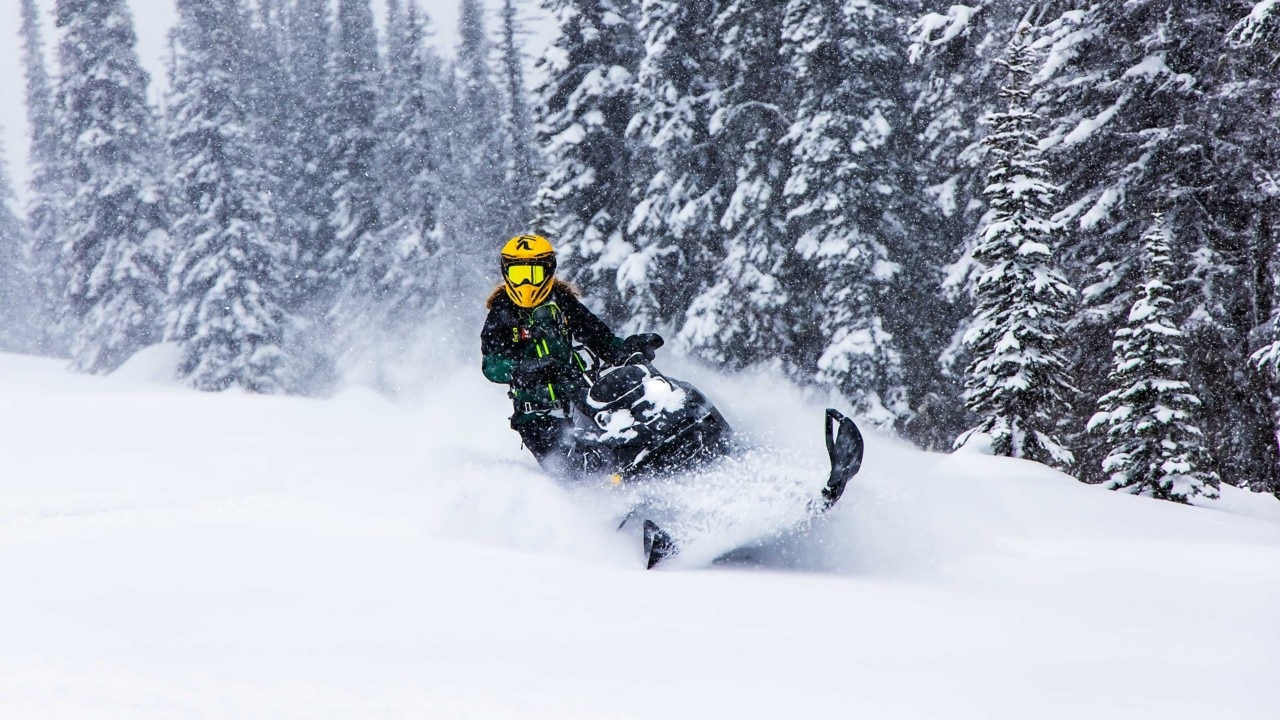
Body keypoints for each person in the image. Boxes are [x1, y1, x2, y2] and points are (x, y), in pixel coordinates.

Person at [481, 234, 664, 476]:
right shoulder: (502, 312)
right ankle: (592, 508)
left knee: (622, 442)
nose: (526, 283)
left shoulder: (562, 302)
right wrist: (524, 370)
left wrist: (626, 349)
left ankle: (657, 470)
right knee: (573, 473)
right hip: (536, 415)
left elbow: (599, 339)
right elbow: (491, 364)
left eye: (533, 275)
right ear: (506, 274)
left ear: (548, 271)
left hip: (581, 399)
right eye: (518, 274)